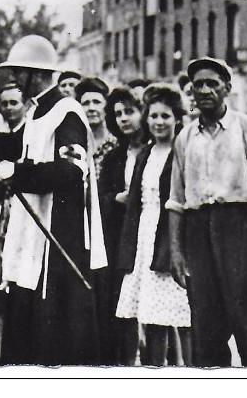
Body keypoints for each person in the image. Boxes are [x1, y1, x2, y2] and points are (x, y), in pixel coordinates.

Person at [0, 34, 107, 365]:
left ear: (34, 74)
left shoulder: (66, 112)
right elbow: (13, 147)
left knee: (56, 326)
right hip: (33, 230)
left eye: (18, 73)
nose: (14, 81)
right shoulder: (37, 112)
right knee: (25, 312)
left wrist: (19, 174)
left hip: (60, 234)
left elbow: (72, 170)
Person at [167, 57, 247, 368]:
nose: (205, 89)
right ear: (191, 92)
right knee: (206, 325)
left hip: (240, 228)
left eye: (212, 83)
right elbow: (176, 201)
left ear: (227, 88)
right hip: (198, 231)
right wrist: (176, 251)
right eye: (198, 84)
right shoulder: (184, 138)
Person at [115, 84, 192, 366]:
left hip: (171, 235)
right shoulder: (144, 155)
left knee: (183, 316)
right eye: (154, 116)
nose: (159, 122)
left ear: (177, 119)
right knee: (150, 316)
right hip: (145, 237)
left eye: (166, 117)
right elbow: (137, 202)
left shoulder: (183, 152)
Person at [97, 86, 148, 365]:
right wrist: (117, 198)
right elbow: (100, 195)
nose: (123, 119)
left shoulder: (157, 150)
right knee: (122, 306)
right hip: (120, 237)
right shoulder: (115, 156)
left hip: (152, 232)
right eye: (117, 114)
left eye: (129, 111)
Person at [74, 77, 117, 179]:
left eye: (97, 102)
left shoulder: (116, 143)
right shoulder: (76, 145)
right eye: (85, 103)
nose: (91, 108)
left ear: (106, 106)